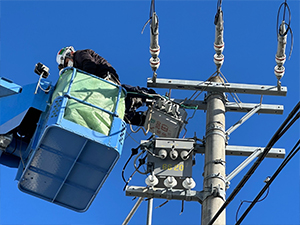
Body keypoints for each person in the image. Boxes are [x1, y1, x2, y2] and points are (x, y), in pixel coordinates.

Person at [56, 46, 157, 126]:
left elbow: (89, 65)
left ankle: (151, 96)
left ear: (69, 54)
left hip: (105, 76)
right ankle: (143, 120)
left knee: (125, 92)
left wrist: (86, 81)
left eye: (66, 62)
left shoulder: (79, 54)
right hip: (100, 82)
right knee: (122, 113)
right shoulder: (77, 66)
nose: (69, 65)